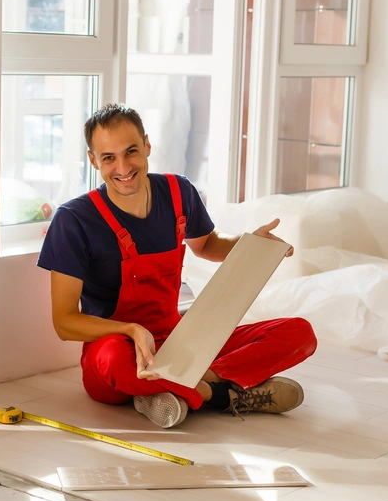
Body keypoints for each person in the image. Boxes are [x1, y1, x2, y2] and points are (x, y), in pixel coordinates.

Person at [37, 103, 318, 429]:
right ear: (93, 160)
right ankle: (223, 395)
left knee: (299, 333)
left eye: (131, 151)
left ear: (147, 146)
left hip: (178, 340)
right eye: (109, 157)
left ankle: (174, 390)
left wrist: (250, 244)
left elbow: (207, 245)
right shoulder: (74, 220)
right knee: (116, 364)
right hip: (116, 346)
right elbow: (64, 322)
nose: (123, 166)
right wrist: (130, 329)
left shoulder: (178, 191)